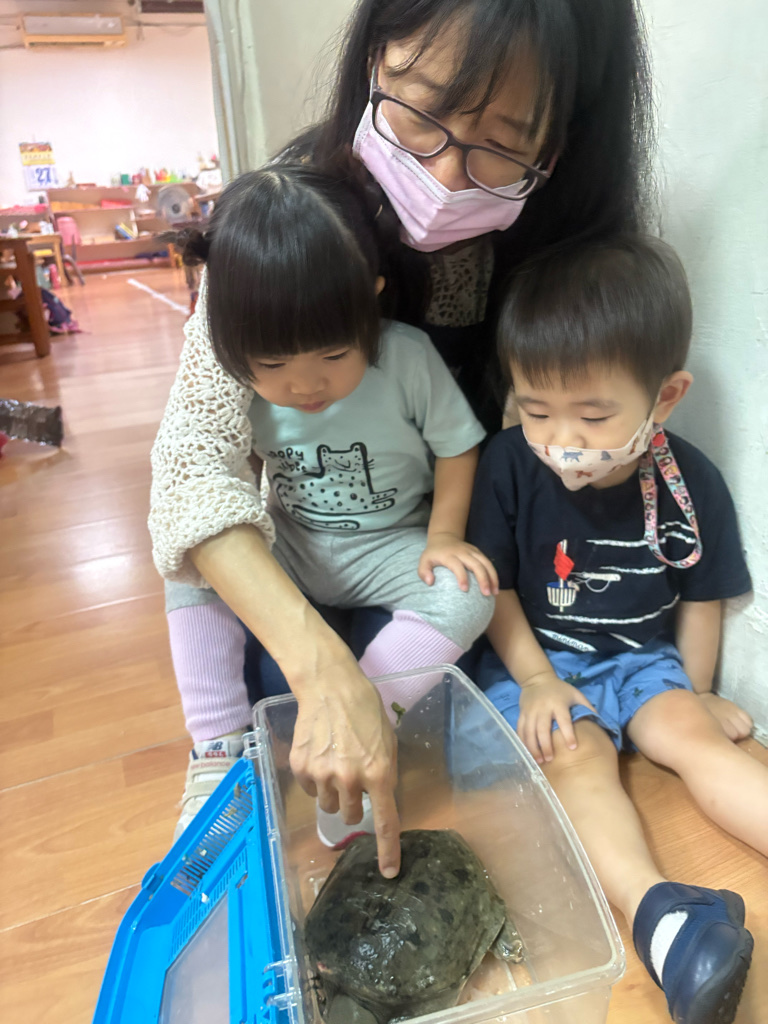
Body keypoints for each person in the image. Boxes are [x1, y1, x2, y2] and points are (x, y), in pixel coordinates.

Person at [150, 0, 653, 876]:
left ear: (560, 144)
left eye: (501, 145)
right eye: (422, 108)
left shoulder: (557, 253)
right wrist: (323, 673)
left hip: (414, 550)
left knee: (464, 700)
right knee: (253, 665)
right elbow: (193, 467)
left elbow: (488, 453)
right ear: (374, 58)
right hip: (303, 547)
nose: (447, 175)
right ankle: (220, 754)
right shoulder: (281, 233)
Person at [467, 234, 765, 1024]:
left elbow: (701, 595)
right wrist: (536, 679)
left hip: (644, 661)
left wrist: (697, 691)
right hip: (540, 662)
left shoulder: (691, 479)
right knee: (575, 759)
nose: (563, 438)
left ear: (665, 397)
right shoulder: (508, 465)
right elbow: (494, 589)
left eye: (594, 415)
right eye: (536, 410)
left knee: (693, 739)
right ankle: (665, 923)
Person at [167, 165, 497, 846]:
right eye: (273, 365)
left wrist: (443, 537)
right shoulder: (234, 373)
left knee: (469, 592)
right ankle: (219, 748)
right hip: (292, 544)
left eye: (334, 353)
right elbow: (233, 475)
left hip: (390, 544)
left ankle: (364, 713)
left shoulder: (408, 358)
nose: (305, 384)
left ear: (370, 299)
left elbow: (459, 447)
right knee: (188, 557)